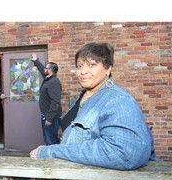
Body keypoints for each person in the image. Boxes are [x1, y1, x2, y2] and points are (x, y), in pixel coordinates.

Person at [30, 42, 157, 170]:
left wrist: (50, 151)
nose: (83, 72)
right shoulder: (82, 96)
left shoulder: (118, 100)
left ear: (108, 68)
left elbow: (124, 153)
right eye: (79, 66)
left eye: (92, 65)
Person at [30, 53, 62, 146]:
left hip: (51, 118)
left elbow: (55, 101)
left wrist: (50, 118)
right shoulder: (48, 79)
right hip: (46, 116)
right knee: (48, 139)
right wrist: (36, 61)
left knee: (51, 141)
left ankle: (54, 159)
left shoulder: (54, 82)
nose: (44, 68)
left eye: (46, 68)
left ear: (51, 70)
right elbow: (41, 68)